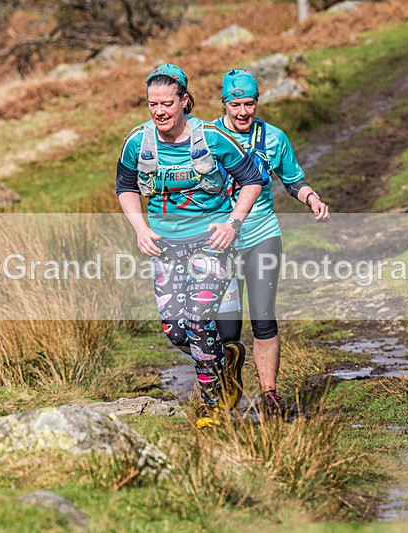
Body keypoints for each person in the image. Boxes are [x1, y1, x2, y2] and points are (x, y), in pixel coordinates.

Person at [116, 64, 262, 429]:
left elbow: (253, 179)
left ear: (184, 101)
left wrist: (234, 222)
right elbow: (125, 187)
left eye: (167, 103)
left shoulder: (211, 138)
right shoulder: (138, 142)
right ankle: (226, 360)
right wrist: (139, 228)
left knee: (198, 321)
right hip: (164, 246)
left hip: (210, 242)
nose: (160, 111)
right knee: (175, 330)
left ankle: (212, 407)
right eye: (153, 104)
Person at [214, 69, 330, 416]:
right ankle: (228, 384)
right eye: (235, 104)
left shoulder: (274, 138)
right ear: (224, 103)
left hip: (262, 236)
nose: (243, 111)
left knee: (264, 318)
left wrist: (312, 199)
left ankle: (270, 393)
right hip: (221, 242)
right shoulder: (207, 135)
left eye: (249, 104)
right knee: (227, 327)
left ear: (257, 103)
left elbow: (293, 180)